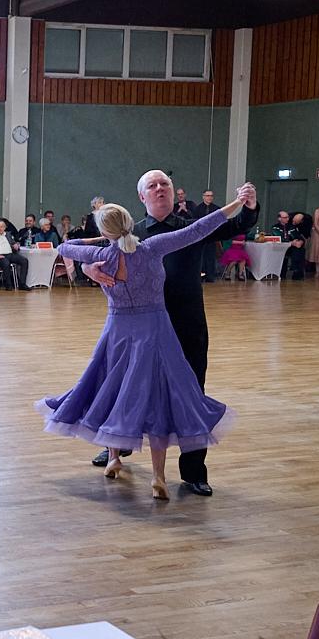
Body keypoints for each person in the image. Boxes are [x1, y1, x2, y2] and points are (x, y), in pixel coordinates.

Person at [39, 195, 246, 500]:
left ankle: (113, 458)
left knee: (114, 390)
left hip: (118, 331)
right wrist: (233, 205)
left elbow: (64, 247)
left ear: (105, 231)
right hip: (154, 331)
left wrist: (99, 243)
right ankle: (158, 477)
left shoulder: (101, 254)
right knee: (159, 397)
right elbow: (199, 229)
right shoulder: (151, 247)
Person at [81, 171, 260, 496]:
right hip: (140, 328)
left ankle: (193, 472)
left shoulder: (192, 225)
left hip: (186, 321)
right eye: (152, 185)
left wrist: (248, 206)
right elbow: (92, 254)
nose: (160, 188)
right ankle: (116, 447)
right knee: (125, 387)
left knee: (192, 391)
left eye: (164, 183)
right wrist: (88, 269)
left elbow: (238, 225)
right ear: (142, 197)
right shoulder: (130, 231)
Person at [193, 190, 221, 282]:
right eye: (208, 195)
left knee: (211, 256)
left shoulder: (217, 209)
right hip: (200, 236)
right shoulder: (198, 209)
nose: (210, 197)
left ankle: (210, 276)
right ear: (203, 197)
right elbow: (194, 222)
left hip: (212, 236)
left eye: (211, 196)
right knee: (201, 256)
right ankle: (200, 275)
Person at [284, 212, 309, 280]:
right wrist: (291, 242)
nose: (293, 222)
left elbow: (299, 236)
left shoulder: (299, 226)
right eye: (293, 221)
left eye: (296, 222)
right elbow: (280, 238)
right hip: (284, 245)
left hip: (295, 245)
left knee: (300, 250)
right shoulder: (279, 226)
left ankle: (297, 272)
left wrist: (301, 241)